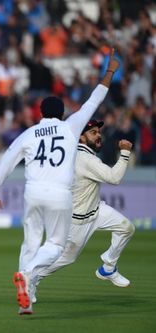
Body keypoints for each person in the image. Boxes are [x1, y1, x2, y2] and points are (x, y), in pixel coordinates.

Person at [0, 48, 120, 315]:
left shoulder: (30, 133)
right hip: (60, 194)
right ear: (61, 113)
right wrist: (110, 71)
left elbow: (6, 162)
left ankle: (28, 298)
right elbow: (94, 100)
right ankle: (28, 275)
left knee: (30, 242)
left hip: (33, 192)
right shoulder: (71, 127)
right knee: (56, 245)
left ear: (41, 112)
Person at [32, 120, 134, 302]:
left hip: (96, 210)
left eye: (98, 131)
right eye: (93, 132)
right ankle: (32, 277)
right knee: (67, 258)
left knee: (126, 228)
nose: (98, 135)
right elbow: (114, 178)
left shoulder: (77, 155)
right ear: (81, 137)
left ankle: (108, 267)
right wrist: (125, 152)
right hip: (78, 221)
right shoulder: (85, 159)